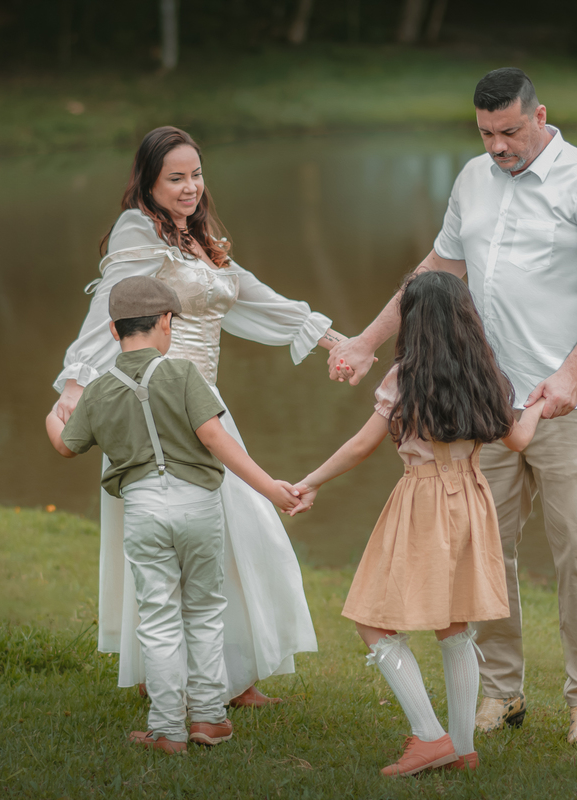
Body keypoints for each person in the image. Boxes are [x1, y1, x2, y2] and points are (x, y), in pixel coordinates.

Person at [326, 68, 577, 745]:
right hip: (481, 406)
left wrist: (569, 375)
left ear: (540, 115)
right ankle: (501, 691)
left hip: (571, 404)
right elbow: (434, 273)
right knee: (484, 553)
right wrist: (365, 341)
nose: (497, 146)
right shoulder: (473, 179)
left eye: (509, 131)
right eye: (485, 133)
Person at [51, 126, 351, 706]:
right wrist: (75, 383)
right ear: (148, 182)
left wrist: (336, 341)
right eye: (176, 178)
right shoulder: (136, 230)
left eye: (196, 174)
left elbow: (254, 296)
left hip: (205, 402)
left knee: (241, 535)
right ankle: (161, 674)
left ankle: (233, 677)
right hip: (156, 408)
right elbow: (108, 311)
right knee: (177, 538)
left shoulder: (197, 236)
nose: (191, 187)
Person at [291, 271, 546, 776]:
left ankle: (430, 738)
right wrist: (537, 406)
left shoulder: (405, 377)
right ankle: (463, 749)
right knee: (455, 623)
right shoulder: (486, 373)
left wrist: (311, 481)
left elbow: (362, 446)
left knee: (371, 618)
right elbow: (517, 440)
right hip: (472, 499)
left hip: (424, 499)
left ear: (414, 322)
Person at [46, 276, 304, 751]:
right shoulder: (184, 374)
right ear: (166, 322)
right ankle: (209, 718)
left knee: (158, 616)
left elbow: (65, 446)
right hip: (199, 505)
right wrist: (270, 488)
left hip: (143, 508)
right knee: (204, 609)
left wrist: (52, 415)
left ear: (112, 329)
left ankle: (167, 728)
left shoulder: (100, 389)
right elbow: (215, 438)